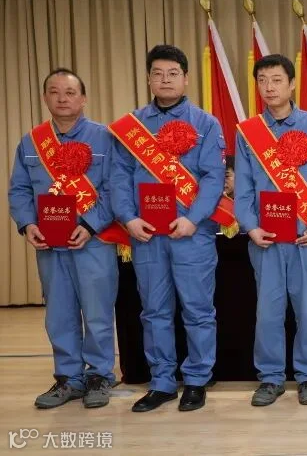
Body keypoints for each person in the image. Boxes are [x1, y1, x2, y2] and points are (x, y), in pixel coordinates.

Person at [110, 45, 227, 412]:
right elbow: (118, 176)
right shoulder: (131, 127)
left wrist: (193, 218)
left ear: (185, 78)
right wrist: (128, 218)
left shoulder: (205, 123)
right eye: (158, 73)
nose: (165, 80)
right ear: (148, 78)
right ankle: (161, 382)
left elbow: (213, 177)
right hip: (146, 234)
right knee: (154, 311)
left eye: (173, 73)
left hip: (191, 232)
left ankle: (196, 379)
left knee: (197, 309)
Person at [9, 69, 123, 409]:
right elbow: (19, 190)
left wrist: (90, 225)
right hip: (49, 242)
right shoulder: (32, 142)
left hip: (93, 241)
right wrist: (28, 224)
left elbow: (115, 189)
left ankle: (99, 376)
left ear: (83, 98)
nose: (62, 98)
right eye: (55, 92)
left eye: (70, 92)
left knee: (97, 312)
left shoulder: (105, 138)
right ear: (45, 97)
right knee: (59, 313)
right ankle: (68, 378)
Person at [234, 54, 307, 406]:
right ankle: (270, 378)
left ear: (292, 84)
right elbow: (243, 189)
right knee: (268, 312)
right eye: (262, 80)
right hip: (265, 239)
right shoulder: (248, 132)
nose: (269, 87)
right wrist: (250, 227)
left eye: (277, 79)